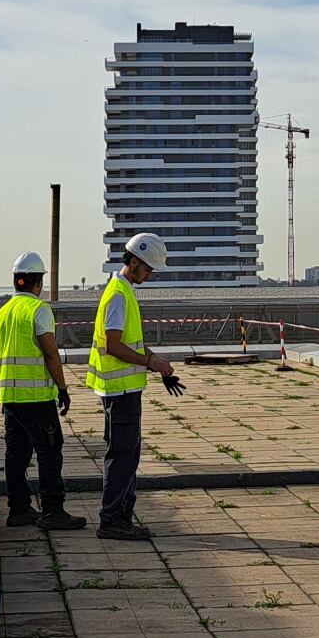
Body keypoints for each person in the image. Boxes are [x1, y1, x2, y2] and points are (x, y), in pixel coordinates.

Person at [87, 231, 185, 542]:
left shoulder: (124, 291)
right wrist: (150, 363)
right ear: (132, 261)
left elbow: (130, 343)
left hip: (124, 390)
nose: (151, 274)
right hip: (120, 392)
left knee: (127, 454)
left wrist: (156, 361)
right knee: (122, 455)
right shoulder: (118, 294)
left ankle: (121, 516)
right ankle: (112, 519)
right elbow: (114, 345)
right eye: (148, 268)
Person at [0, 252, 85, 530]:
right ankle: (53, 510)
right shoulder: (39, 310)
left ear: (15, 281)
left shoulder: (1, 314)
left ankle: (19, 508)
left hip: (10, 396)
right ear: (38, 282)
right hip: (36, 397)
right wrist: (63, 387)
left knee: (16, 453)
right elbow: (50, 353)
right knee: (49, 451)